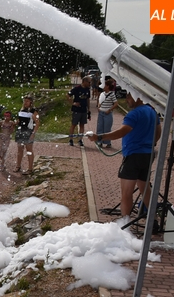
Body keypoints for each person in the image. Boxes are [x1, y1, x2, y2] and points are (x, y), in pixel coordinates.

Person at [88, 93, 162, 222]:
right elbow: (159, 131)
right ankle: (153, 219)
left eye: (128, 97)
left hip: (133, 156)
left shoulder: (133, 114)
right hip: (148, 155)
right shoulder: (152, 111)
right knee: (145, 188)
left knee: (126, 192)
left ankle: (125, 223)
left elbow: (122, 132)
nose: (126, 100)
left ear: (137, 97)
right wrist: (151, 143)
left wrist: (99, 137)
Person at [15, 96, 40, 176]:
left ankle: (30, 169)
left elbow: (37, 123)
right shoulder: (21, 110)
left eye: (27, 101)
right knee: (20, 149)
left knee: (29, 150)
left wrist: (33, 133)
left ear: (31, 103)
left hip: (28, 132)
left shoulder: (33, 111)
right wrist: (15, 123)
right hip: (20, 131)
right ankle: (18, 166)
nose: (25, 103)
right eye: (24, 101)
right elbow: (20, 120)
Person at [68, 76, 92, 147]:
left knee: (82, 125)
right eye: (89, 82)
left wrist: (89, 109)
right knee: (74, 124)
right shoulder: (77, 88)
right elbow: (68, 95)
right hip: (77, 110)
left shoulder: (87, 89)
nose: (90, 84)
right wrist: (73, 103)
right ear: (84, 81)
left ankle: (80, 140)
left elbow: (87, 99)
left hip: (84, 110)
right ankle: (71, 139)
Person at [96, 79, 118, 149]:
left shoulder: (112, 94)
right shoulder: (102, 94)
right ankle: (99, 141)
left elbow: (116, 103)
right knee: (100, 128)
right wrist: (98, 106)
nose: (103, 86)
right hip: (101, 112)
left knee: (107, 128)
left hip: (107, 113)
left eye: (104, 85)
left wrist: (110, 109)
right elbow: (99, 101)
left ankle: (108, 142)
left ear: (108, 86)